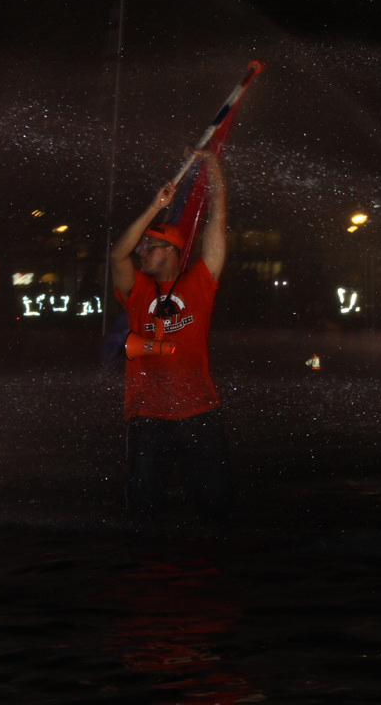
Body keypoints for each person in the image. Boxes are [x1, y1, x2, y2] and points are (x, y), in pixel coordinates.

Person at [110, 149, 230, 524]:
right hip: (148, 415)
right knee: (142, 511)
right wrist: (155, 207)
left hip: (200, 412)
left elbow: (217, 220)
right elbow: (117, 256)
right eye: (143, 247)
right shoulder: (137, 290)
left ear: (173, 252)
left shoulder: (199, 284)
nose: (142, 252)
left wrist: (213, 166)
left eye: (151, 247)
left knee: (214, 509)